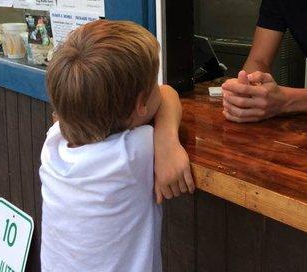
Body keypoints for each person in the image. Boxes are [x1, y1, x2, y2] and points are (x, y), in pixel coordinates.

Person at [40, 20, 194, 272]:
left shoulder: (53, 143)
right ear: (140, 105)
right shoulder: (131, 153)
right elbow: (169, 94)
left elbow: (161, 93)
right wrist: (167, 141)